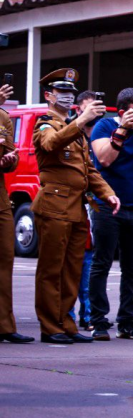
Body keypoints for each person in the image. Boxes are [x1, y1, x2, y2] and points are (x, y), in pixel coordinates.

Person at [33, 69, 119, 344]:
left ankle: (66, 324)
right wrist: (81, 120)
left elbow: (89, 170)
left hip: (76, 208)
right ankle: (50, 327)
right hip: (54, 205)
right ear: (49, 96)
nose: (68, 96)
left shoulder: (76, 130)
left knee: (72, 269)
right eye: (62, 92)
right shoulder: (45, 124)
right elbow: (50, 144)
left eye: (71, 92)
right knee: (51, 269)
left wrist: (107, 193)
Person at [88, 88, 133, 341]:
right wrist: (122, 130)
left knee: (132, 268)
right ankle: (97, 321)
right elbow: (104, 159)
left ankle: (127, 321)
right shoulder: (103, 125)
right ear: (123, 111)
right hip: (106, 205)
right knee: (102, 263)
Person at [0, 82, 30, 344]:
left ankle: (5, 326)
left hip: (0, 198)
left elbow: (12, 157)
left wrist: (9, 161)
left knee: (5, 260)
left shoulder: (3, 118)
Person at [73, 91, 101, 331]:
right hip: (74, 206)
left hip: (96, 210)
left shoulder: (103, 134)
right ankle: (67, 317)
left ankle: (88, 315)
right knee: (72, 268)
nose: (93, 111)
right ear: (78, 110)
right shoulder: (71, 134)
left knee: (90, 269)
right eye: (88, 107)